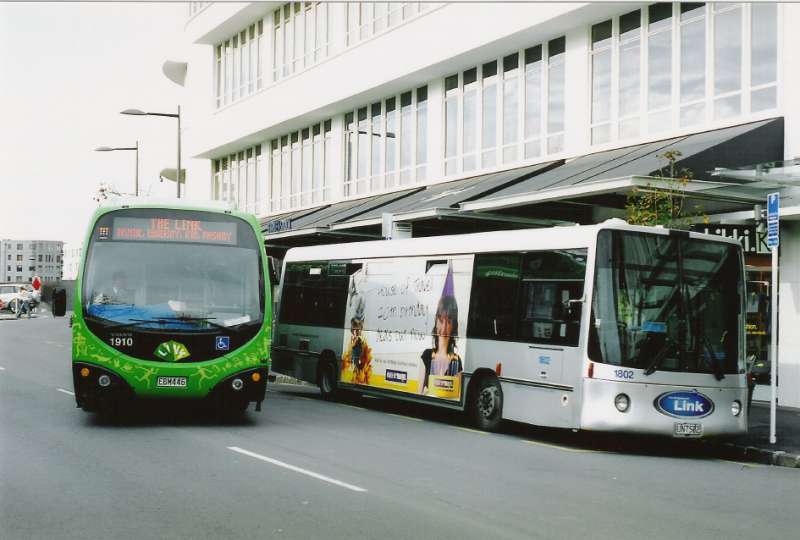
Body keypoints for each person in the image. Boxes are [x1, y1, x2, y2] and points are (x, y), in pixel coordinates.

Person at [420, 268, 463, 395]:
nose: (444, 328)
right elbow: (419, 393)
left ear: (453, 326)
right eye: (441, 319)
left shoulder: (456, 361)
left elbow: (456, 396)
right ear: (436, 321)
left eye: (449, 321)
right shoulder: (426, 356)